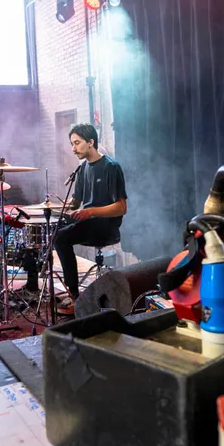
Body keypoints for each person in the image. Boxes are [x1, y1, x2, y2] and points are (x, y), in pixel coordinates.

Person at [55, 123, 127, 311]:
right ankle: (32, 282)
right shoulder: (82, 168)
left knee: (61, 237)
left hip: (106, 226)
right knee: (54, 226)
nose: (73, 148)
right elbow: (76, 203)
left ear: (91, 142)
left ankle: (73, 295)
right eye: (72, 144)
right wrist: (58, 205)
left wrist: (91, 211)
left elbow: (121, 207)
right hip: (89, 221)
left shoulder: (110, 167)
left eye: (77, 143)